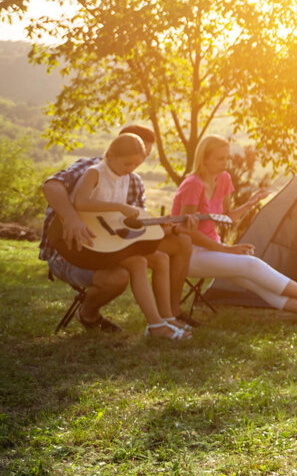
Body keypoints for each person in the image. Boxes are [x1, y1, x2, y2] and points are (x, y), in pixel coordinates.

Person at [172, 135, 297, 322]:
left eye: (227, 158)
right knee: (251, 264)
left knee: (255, 281)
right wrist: (227, 249)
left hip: (212, 249)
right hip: (189, 253)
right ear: (204, 158)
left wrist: (250, 203)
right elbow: (187, 231)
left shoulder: (223, 179)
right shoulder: (193, 184)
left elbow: (225, 217)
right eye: (220, 158)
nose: (225, 163)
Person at [39, 124, 196, 333]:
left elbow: (132, 225)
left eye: (142, 158)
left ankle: (167, 317)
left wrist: (164, 226)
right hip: (76, 245)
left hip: (110, 242)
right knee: (134, 265)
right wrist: (71, 218)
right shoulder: (92, 169)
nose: (134, 166)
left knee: (160, 257)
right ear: (114, 151)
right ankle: (154, 324)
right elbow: (55, 187)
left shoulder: (130, 178)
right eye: (130, 159)